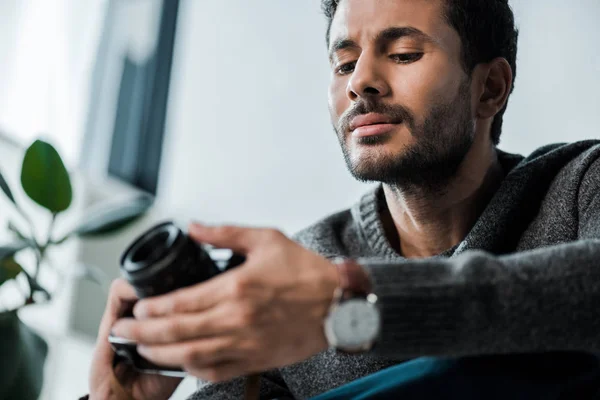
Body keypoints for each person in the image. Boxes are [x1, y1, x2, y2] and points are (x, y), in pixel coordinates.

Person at [85, 0, 600, 399]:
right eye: (344, 62)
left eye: (403, 54)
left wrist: (348, 309)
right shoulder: (288, 286)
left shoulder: (580, 186)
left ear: (490, 88)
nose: (360, 83)